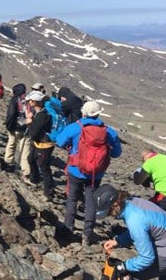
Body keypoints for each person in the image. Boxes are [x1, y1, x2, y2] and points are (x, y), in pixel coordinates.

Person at [56, 101, 122, 245]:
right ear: (98, 113)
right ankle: (87, 234)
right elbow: (117, 153)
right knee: (91, 200)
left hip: (75, 170)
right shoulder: (108, 131)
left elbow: (59, 141)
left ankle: (69, 228)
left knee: (72, 198)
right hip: (95, 174)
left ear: (83, 112)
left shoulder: (75, 127)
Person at [96, 184, 166, 280]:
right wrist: (118, 241)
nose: (110, 215)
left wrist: (123, 266)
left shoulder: (134, 219)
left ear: (115, 204)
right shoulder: (132, 202)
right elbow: (142, 228)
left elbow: (147, 258)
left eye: (108, 212)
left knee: (126, 275)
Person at [25, 90, 55, 200]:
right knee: (31, 159)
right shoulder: (42, 113)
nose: (28, 103)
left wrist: (29, 123)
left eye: (30, 101)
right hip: (41, 143)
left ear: (34, 102)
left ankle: (49, 193)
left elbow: (34, 133)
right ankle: (34, 180)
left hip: (44, 145)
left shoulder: (41, 115)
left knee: (44, 167)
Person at [4, 83, 31, 175]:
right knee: (25, 150)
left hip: (15, 126)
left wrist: (9, 126)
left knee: (11, 144)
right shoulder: (28, 100)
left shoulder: (14, 100)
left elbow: (11, 114)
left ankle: (8, 162)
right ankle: (26, 171)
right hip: (27, 127)